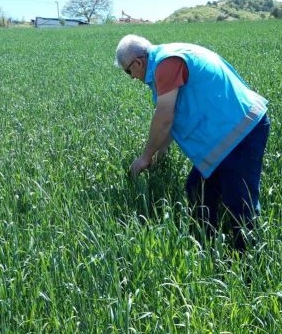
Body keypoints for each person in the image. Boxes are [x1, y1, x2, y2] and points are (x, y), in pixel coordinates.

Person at [115, 34, 271, 252]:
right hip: (225, 135)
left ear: (138, 63)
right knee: (197, 190)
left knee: (239, 203)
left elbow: (164, 117)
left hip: (241, 130)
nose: (132, 78)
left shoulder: (166, 64)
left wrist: (145, 157)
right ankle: (207, 248)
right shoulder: (166, 59)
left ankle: (250, 260)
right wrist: (160, 152)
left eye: (128, 71)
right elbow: (174, 117)